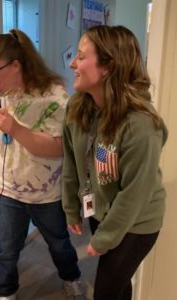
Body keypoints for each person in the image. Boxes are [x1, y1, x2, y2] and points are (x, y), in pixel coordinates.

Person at [0, 29, 84, 300]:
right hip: (4, 189)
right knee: (4, 249)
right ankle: (6, 294)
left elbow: (59, 149)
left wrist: (17, 129)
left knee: (58, 244)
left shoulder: (53, 97)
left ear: (15, 65)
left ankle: (71, 279)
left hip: (45, 193)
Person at [62, 24, 168, 300]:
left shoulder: (140, 125)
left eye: (82, 57)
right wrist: (71, 206)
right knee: (119, 286)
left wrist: (104, 239)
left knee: (106, 292)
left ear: (108, 66)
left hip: (137, 223)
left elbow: (134, 194)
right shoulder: (77, 107)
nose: (73, 63)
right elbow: (72, 161)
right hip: (102, 211)